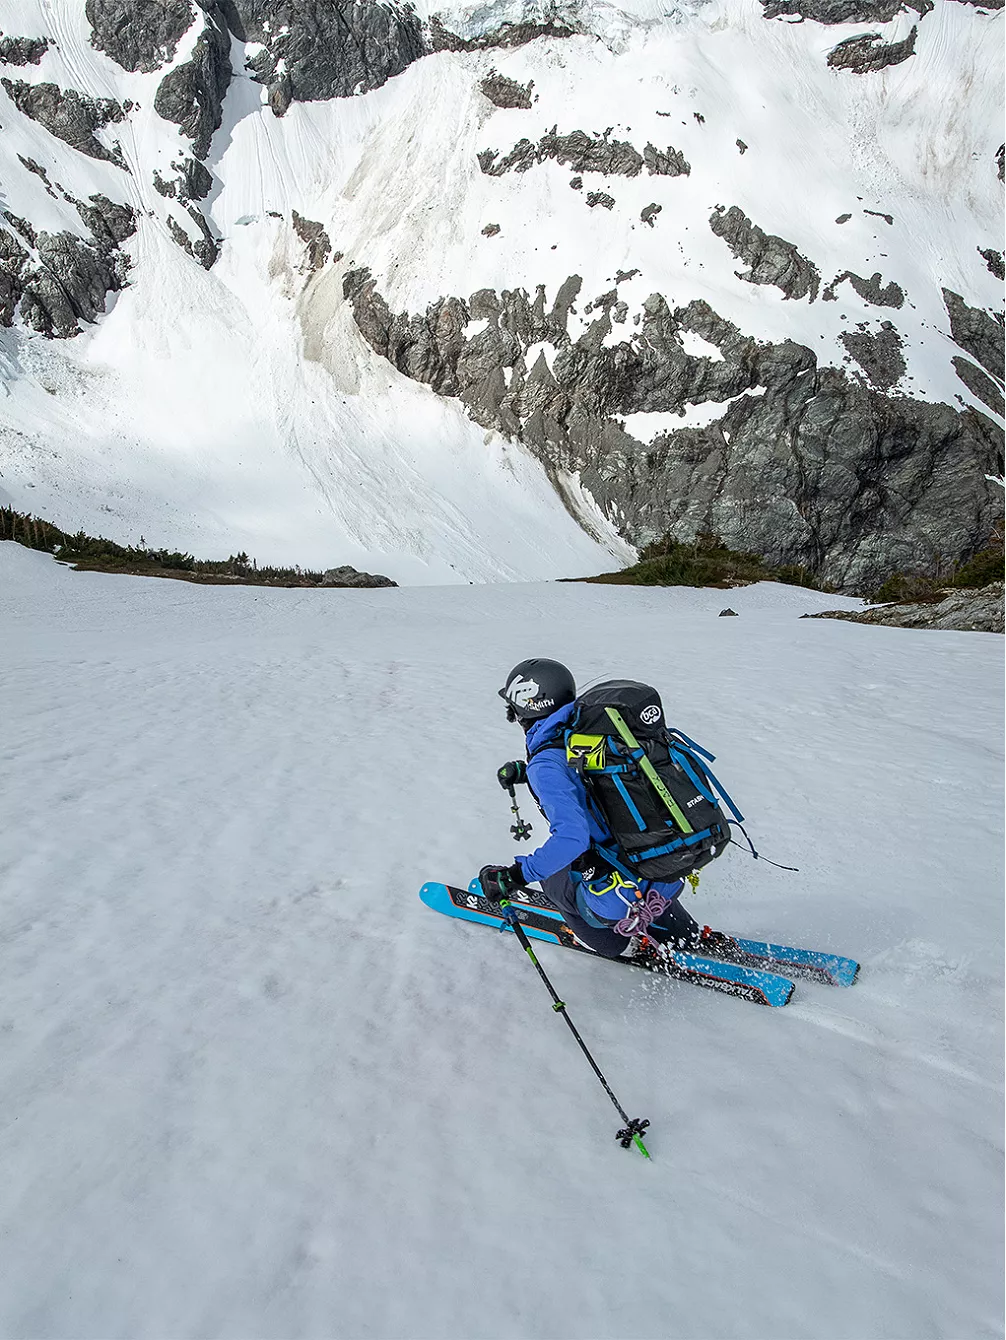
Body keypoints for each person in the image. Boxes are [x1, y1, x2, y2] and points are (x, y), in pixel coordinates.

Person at [478, 658, 724, 964]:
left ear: (526, 706)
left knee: (552, 878)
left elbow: (572, 839)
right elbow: (591, 782)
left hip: (615, 899)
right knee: (609, 856)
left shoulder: (546, 764)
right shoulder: (593, 734)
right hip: (666, 869)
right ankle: (682, 932)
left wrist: (516, 875)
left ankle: (623, 943)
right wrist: (528, 773)